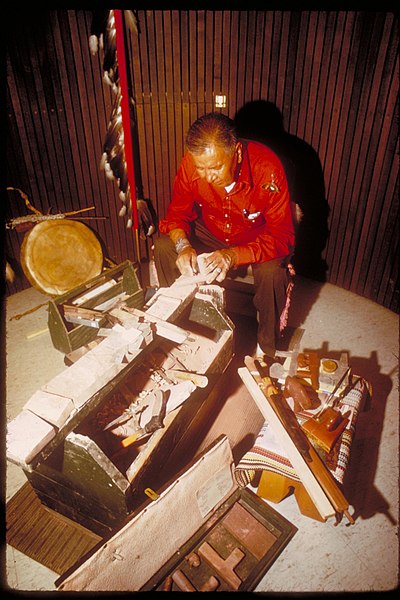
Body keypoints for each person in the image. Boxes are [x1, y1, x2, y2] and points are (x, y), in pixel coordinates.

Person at [153, 112, 296, 359]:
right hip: (213, 230)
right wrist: (183, 245)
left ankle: (267, 349)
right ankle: (175, 323)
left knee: (273, 272)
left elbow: (282, 236)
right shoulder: (191, 163)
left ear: (237, 153)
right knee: (164, 244)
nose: (208, 177)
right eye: (201, 168)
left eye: (216, 167)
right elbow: (177, 214)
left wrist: (233, 255)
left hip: (255, 239)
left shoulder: (268, 169)